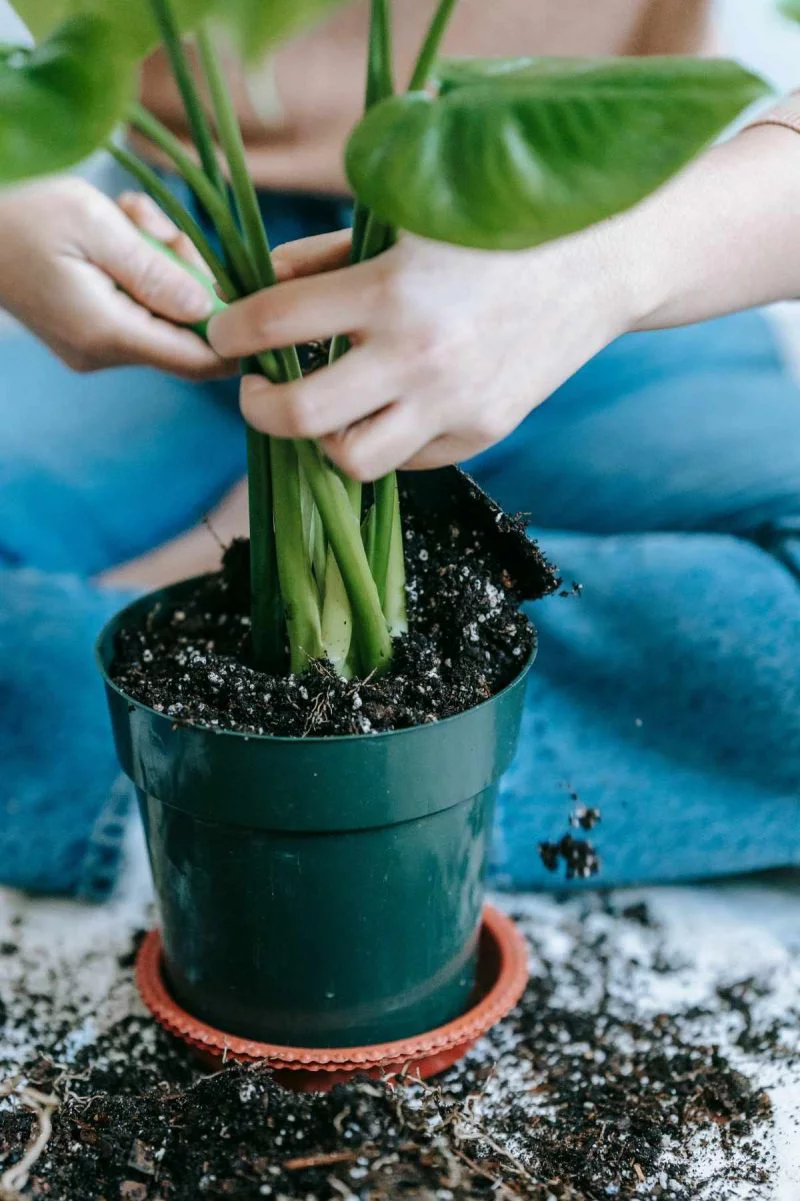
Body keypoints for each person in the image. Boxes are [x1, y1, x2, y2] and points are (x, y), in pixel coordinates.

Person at [1, 0, 799, 900]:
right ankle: (369, 766)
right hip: (205, 249)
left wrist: (602, 271)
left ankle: (211, 768)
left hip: (595, 240)